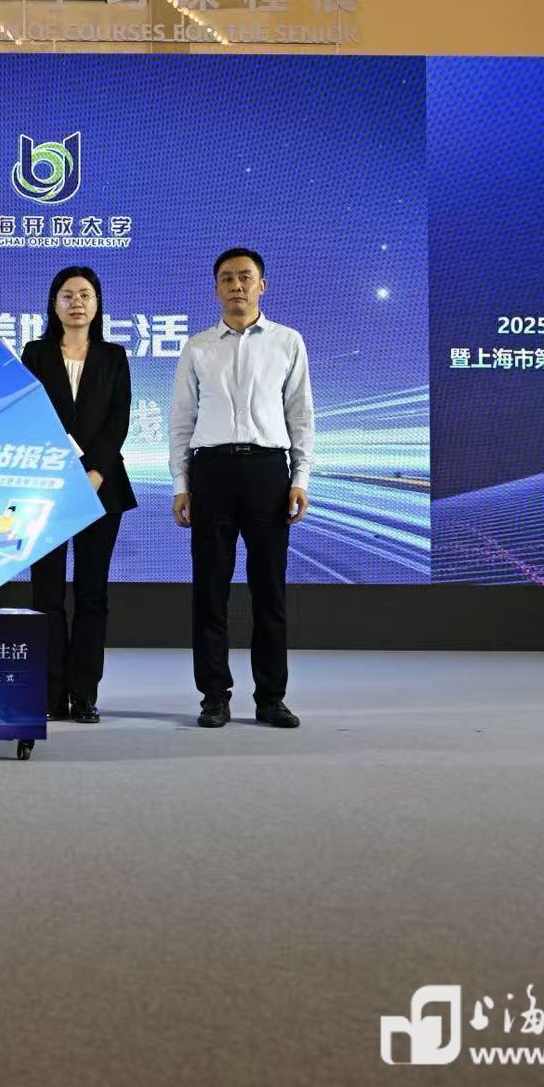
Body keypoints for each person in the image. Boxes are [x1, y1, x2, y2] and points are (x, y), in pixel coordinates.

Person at [168, 247, 313, 730]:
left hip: (268, 472)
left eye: (245, 277)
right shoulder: (198, 347)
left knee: (269, 591)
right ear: (216, 289)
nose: (237, 285)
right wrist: (181, 483)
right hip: (211, 472)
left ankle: (271, 698)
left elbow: (301, 415)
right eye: (227, 278)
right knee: (210, 591)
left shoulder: (288, 342)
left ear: (261, 285)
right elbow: (182, 420)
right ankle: (214, 697)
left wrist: (300, 478)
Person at [21, 265, 136, 724]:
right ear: (54, 304)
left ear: (97, 304)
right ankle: (50, 694)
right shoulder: (35, 353)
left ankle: (84, 693)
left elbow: (119, 419)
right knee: (46, 593)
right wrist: (57, 471)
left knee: (92, 594)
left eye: (85, 295)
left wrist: (95, 471)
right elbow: (25, 415)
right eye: (67, 295)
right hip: (45, 488)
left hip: (101, 488)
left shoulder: (113, 355)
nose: (76, 303)